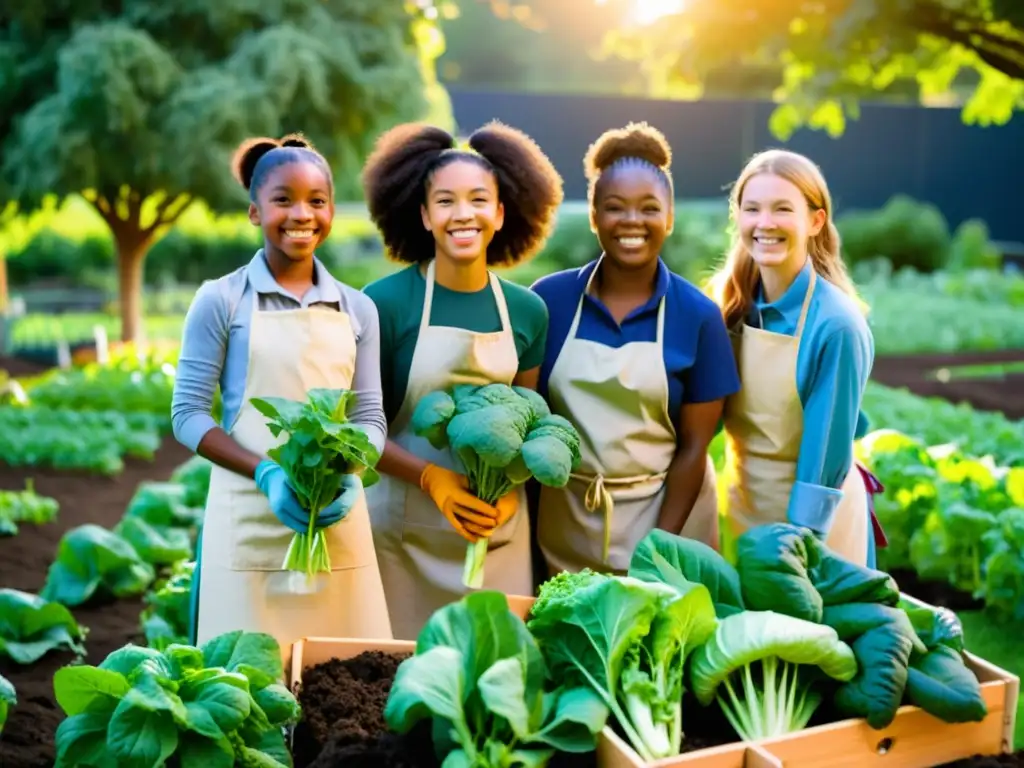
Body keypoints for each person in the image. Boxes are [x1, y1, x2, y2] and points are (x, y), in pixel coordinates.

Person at [171, 134, 393, 658]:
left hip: (336, 518)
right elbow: (186, 415)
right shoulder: (221, 300)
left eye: (317, 200)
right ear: (254, 211)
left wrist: (353, 472)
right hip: (246, 518)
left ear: (333, 211)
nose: (302, 214)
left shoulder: (358, 309)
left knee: (346, 682)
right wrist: (267, 473)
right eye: (283, 199)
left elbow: (370, 415)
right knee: (245, 684)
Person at [361, 121, 562, 640]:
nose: (463, 214)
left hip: (496, 534)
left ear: (500, 212)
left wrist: (509, 491)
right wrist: (433, 478)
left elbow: (530, 421)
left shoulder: (527, 311)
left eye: (478, 199)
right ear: (424, 215)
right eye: (445, 201)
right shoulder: (384, 304)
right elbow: (360, 432)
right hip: (402, 535)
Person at [531, 122, 740, 577]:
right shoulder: (550, 302)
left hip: (670, 521)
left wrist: (658, 552)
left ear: (669, 217)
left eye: (649, 208)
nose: (631, 221)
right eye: (614, 207)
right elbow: (531, 422)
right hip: (566, 519)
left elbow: (694, 448)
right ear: (593, 215)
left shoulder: (697, 316)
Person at [708, 148, 880, 567]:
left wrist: (797, 552)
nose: (765, 223)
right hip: (745, 508)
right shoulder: (728, 309)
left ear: (815, 221)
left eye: (782, 209)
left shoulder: (836, 325)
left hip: (815, 529)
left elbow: (824, 460)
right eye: (752, 209)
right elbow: (704, 417)